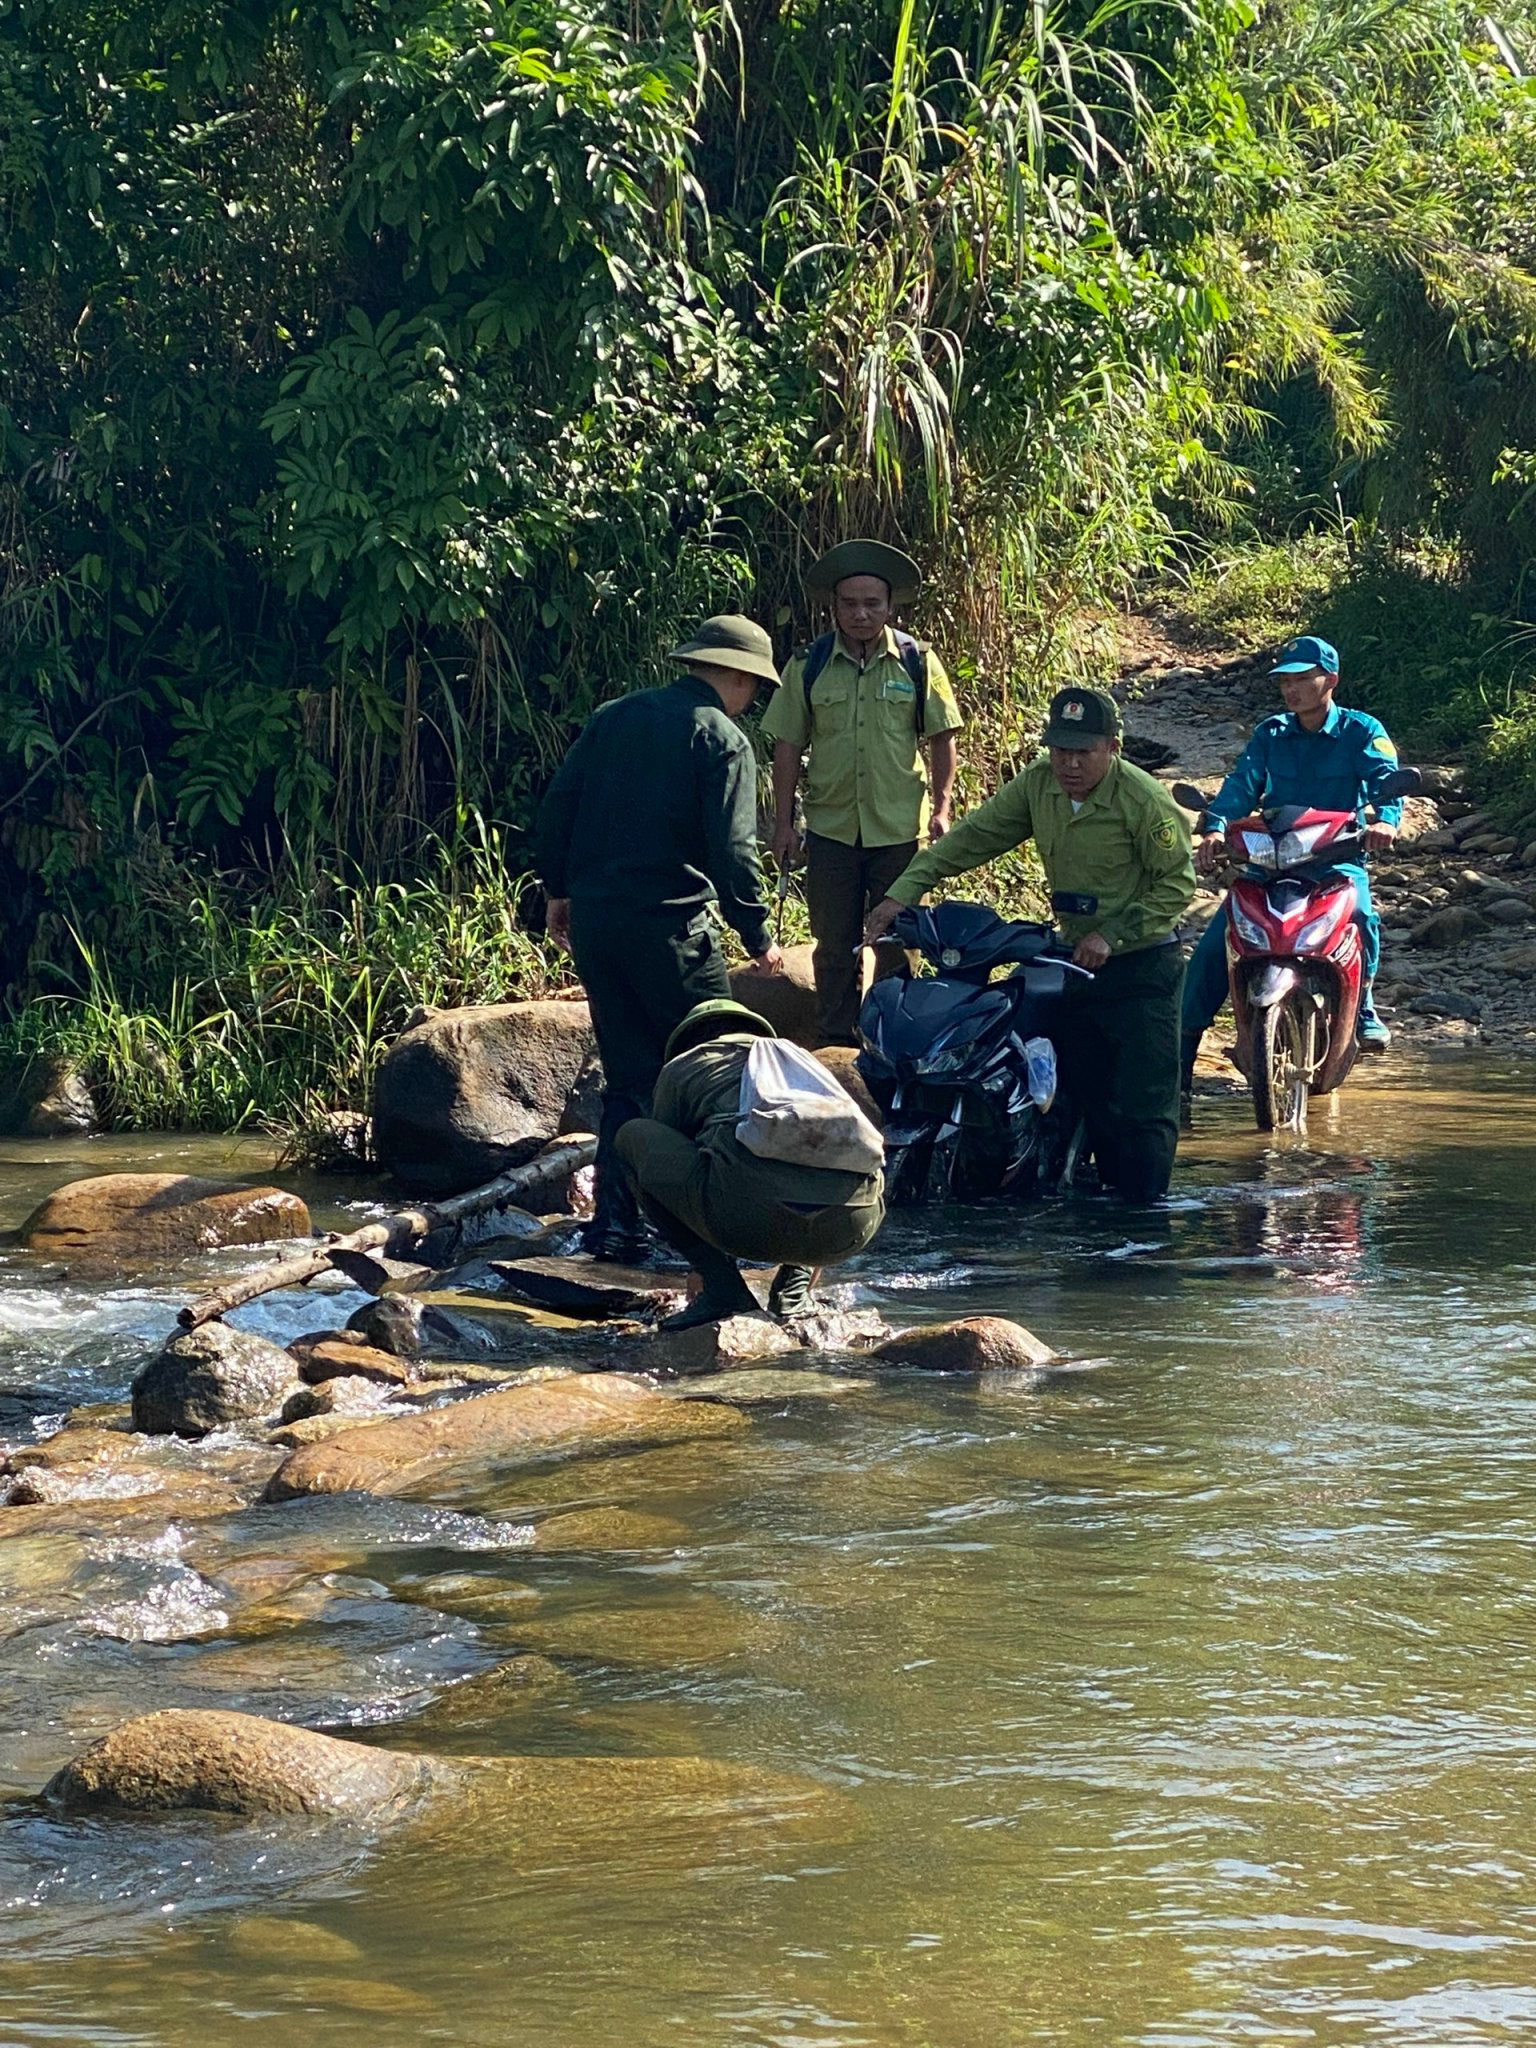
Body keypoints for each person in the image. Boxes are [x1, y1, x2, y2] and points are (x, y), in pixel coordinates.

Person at [863, 686, 1196, 1204]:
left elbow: (1176, 883)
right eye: (1060, 750)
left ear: (1113, 747)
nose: (1069, 764)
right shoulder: (1038, 785)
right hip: (1072, 963)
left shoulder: (1143, 800)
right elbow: (974, 837)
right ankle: (1078, 1204)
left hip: (1141, 968)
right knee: (1080, 1088)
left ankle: (1145, 1228)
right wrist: (901, 895)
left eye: (1083, 752)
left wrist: (1111, 934)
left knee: (1143, 1107)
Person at [535, 616, 785, 1262]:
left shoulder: (614, 717)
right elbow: (734, 851)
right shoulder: (722, 738)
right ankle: (708, 1231)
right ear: (736, 676)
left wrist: (558, 890)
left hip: (598, 924)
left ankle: (615, 1226)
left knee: (629, 1081)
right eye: (753, 687)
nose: (751, 699)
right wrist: (757, 932)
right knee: (712, 1071)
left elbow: (560, 803)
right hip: (673, 929)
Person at [763, 539, 964, 1044]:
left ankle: (896, 1042)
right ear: (834, 606)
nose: (860, 613)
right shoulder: (807, 665)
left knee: (899, 942)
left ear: (889, 606)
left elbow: (943, 737)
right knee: (834, 947)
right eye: (849, 603)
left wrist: (942, 808)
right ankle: (837, 1044)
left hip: (899, 829)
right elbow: (787, 747)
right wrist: (783, 824)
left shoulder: (919, 662)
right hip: (831, 830)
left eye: (872, 604)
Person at [1181, 634, 1402, 1090]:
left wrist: (1387, 821)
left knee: (1361, 913)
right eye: (1286, 680)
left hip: (1334, 861)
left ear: (1331, 680)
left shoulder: (1362, 731)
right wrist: (1216, 826)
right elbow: (1242, 783)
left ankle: (1363, 1008)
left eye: (1303, 678)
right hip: (1271, 863)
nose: (1292, 689)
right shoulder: (1271, 733)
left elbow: (1386, 784)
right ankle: (1179, 1059)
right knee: (1214, 947)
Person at [616, 1000, 885, 1330]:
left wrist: (701, 1264)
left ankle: (722, 1290)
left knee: (632, 1137)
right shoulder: (799, 1063)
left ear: (689, 1042)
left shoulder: (685, 1065)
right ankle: (794, 1292)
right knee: (810, 1161)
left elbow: (662, 1171)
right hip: (853, 1228)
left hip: (747, 1222)